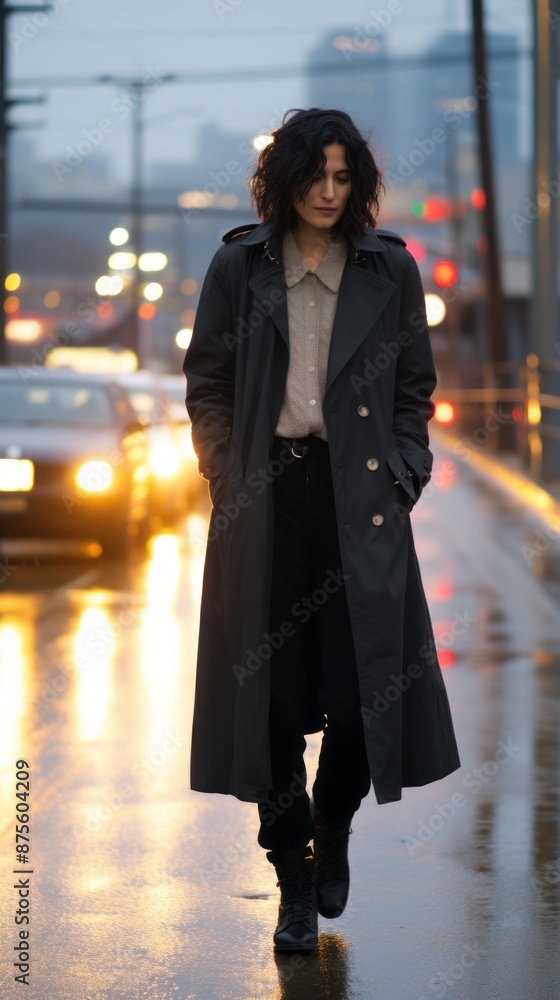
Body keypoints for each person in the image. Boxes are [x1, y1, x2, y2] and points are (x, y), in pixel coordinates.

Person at [183, 107, 461, 953]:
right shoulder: (239, 265)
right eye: (316, 176)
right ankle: (291, 877)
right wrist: (226, 472)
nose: (330, 192)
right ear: (287, 179)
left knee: (359, 693)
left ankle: (331, 828)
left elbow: (416, 389)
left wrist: (405, 471)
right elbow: (209, 382)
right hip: (264, 501)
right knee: (266, 705)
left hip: (361, 503)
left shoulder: (389, 270)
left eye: (345, 178)